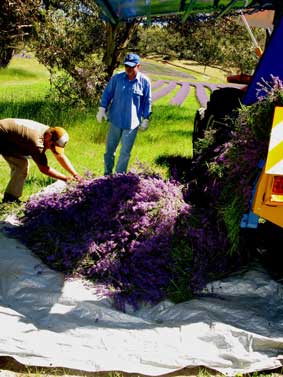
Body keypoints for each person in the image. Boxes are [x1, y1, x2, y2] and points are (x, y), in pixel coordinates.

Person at [0, 118, 82, 203]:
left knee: (21, 165)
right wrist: (66, 178)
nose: (52, 149)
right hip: (2, 134)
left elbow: (60, 156)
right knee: (21, 165)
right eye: (52, 146)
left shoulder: (47, 131)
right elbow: (44, 169)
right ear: (49, 137)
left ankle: (10, 199)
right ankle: (10, 199)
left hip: (6, 139)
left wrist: (75, 175)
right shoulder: (36, 143)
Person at [96, 53, 152, 175]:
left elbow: (147, 101)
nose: (129, 69)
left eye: (132, 67)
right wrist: (102, 108)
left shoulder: (145, 82)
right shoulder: (117, 78)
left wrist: (146, 118)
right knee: (110, 150)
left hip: (132, 123)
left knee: (125, 152)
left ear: (138, 66)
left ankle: (118, 177)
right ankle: (107, 175)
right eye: (127, 66)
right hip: (115, 120)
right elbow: (107, 93)